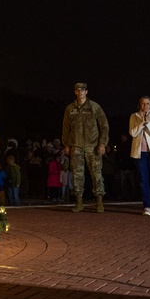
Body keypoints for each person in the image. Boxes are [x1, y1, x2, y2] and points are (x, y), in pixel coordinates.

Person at [61, 82, 110, 213]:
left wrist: (102, 143)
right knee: (77, 175)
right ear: (75, 92)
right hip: (76, 146)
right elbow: (65, 128)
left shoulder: (95, 107)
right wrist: (66, 144)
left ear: (86, 92)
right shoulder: (70, 109)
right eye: (78, 90)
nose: (80, 92)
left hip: (92, 146)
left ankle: (99, 201)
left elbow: (104, 126)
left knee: (96, 174)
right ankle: (79, 202)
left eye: (82, 90)